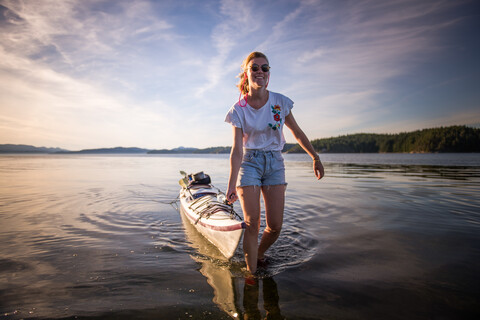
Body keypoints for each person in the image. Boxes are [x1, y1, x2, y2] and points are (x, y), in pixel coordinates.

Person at [225, 51, 324, 275]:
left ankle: (258, 253)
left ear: (269, 73)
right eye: (255, 68)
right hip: (249, 162)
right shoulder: (238, 109)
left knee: (275, 226)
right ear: (246, 74)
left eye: (264, 68)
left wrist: (315, 157)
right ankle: (251, 277)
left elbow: (297, 132)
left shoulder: (280, 102)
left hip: (275, 163)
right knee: (252, 223)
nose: (260, 72)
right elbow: (237, 149)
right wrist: (231, 185)